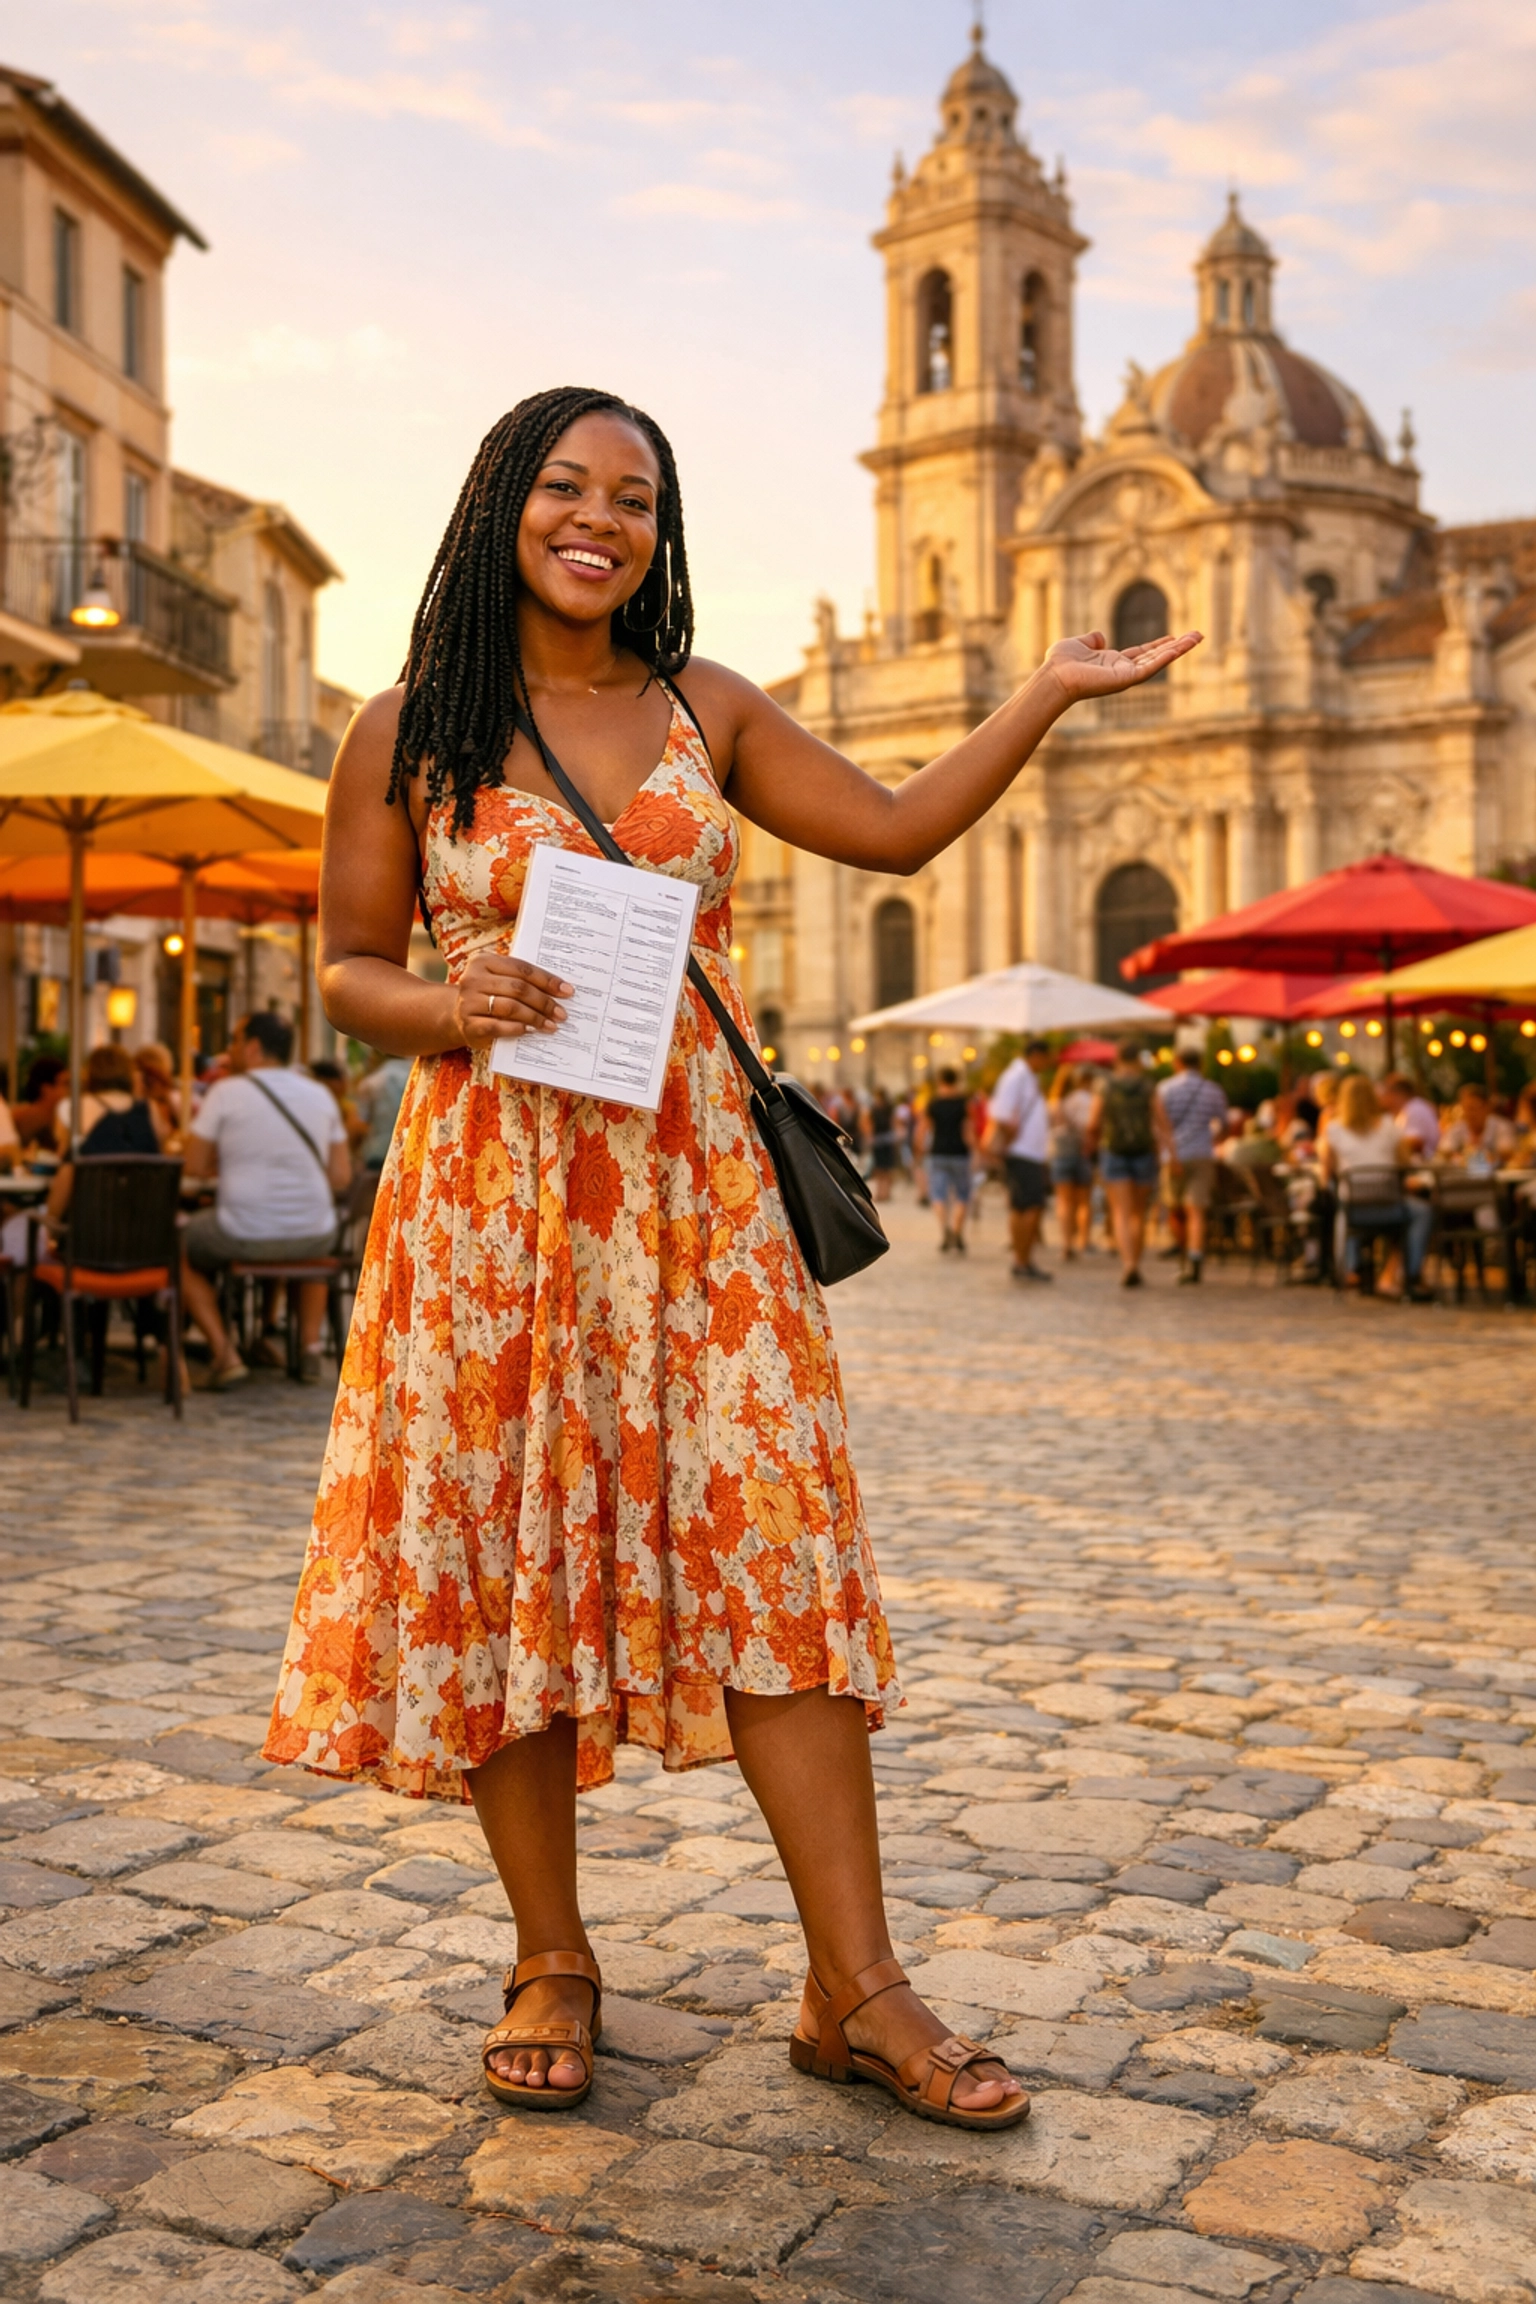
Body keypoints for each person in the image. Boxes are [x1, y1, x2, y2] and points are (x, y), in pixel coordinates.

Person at [258, 385, 1197, 2127]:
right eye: (565, 484)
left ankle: (859, 1979)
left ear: (660, 528)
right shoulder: (405, 726)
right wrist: (446, 1002)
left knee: (779, 1546)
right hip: (492, 1195)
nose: (599, 515)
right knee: (505, 1553)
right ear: (502, 505)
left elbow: (904, 828)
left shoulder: (714, 707)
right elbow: (347, 967)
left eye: (634, 492)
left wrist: (1047, 692)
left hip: (696, 1196)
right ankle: (553, 1951)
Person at [179, 1010, 351, 1389]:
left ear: (253, 1047)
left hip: (243, 1229)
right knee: (302, 1237)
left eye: (235, 1041)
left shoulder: (225, 1093)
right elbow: (341, 1176)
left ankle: (225, 1353)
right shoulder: (321, 1095)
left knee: (178, 1249)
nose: (230, 1049)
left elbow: (193, 1164)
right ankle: (308, 1346)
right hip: (315, 1231)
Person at [1319, 1071, 1433, 1299]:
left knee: (1339, 1203)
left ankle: (1353, 1267)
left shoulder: (1333, 1130)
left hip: (1354, 1211)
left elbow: (1326, 1175)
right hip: (1392, 1208)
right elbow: (1405, 1164)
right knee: (1423, 1212)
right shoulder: (1390, 1127)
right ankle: (1411, 1274)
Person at [1155, 1048, 1230, 1285]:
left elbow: (1158, 1125)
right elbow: (1225, 1124)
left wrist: (1165, 1152)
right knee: (1197, 1211)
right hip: (1201, 1153)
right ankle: (1195, 1259)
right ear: (1201, 1063)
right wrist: (1213, 1139)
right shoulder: (1213, 1090)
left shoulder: (1165, 1088)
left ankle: (1183, 1252)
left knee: (1175, 1210)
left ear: (1177, 1063)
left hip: (1173, 1154)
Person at [1088, 1042, 1158, 1287]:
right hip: (1142, 1152)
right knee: (1139, 1213)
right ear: (1138, 1059)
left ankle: (1127, 1263)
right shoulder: (1147, 1087)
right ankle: (1136, 1263)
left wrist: (1092, 1147)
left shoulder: (1105, 1086)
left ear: (1117, 1060)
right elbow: (1161, 1122)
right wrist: (1171, 1153)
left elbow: (1093, 1123)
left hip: (1114, 1151)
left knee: (1121, 1212)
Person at [986, 1039, 1054, 1281]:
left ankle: (1024, 1259)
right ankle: (1021, 1260)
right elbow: (1001, 1113)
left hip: (1030, 1152)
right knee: (1027, 1204)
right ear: (1036, 1055)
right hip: (1021, 1152)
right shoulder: (1016, 1077)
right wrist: (1010, 1136)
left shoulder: (1028, 1077)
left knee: (1026, 1205)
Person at [54, 1044, 165, 1154]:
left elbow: (64, 1157)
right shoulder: (149, 1109)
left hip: (92, 1171)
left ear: (91, 1072)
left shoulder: (74, 1107)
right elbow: (163, 1151)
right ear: (128, 1072)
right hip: (141, 1172)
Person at [918, 1068, 973, 1253]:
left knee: (938, 1195)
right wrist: (977, 1152)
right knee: (962, 1195)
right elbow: (968, 1131)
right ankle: (957, 1231)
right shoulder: (964, 1102)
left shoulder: (933, 1103)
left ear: (940, 1081)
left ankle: (945, 1231)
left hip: (938, 1153)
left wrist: (919, 1149)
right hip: (960, 1153)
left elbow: (923, 1129)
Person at [1048, 1063, 1095, 1259]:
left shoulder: (1054, 1102)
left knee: (1064, 1201)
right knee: (1084, 1201)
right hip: (1082, 1151)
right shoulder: (1086, 1099)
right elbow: (1091, 1126)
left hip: (1060, 1151)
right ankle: (1084, 1241)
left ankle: (1066, 1244)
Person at [1437, 1082, 1516, 1171]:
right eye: (1465, 1108)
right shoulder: (1458, 1128)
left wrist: (1464, 1157)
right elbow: (1444, 1150)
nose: (1469, 1113)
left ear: (1487, 1107)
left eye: (1473, 1107)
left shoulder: (1501, 1126)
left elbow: (1506, 1153)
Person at [1378, 1071, 1439, 1161]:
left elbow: (1417, 1143)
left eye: (1387, 1094)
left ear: (1397, 1094)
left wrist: (1383, 1142)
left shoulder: (1414, 1109)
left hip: (1423, 1166)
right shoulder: (1409, 1109)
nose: (1383, 1099)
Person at [11, 1055, 68, 1149]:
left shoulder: (58, 1118)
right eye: (64, 1084)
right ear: (46, 1088)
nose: (68, 1090)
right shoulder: (20, 1119)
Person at [866, 1088, 899, 1203]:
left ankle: (883, 1192)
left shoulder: (876, 1109)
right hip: (885, 1139)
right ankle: (884, 1192)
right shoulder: (887, 1108)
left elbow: (870, 1124)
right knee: (884, 1167)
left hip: (881, 1139)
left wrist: (869, 1138)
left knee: (882, 1168)